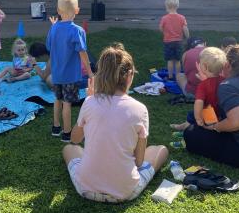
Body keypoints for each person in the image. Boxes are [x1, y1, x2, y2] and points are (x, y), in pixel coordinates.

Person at [62, 44, 168, 203]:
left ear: (101, 75)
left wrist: (90, 99)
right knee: (160, 149)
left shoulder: (90, 102)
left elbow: (75, 139)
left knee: (70, 149)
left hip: (86, 188)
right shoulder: (140, 109)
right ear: (130, 75)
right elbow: (138, 162)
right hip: (125, 192)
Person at [46, 0, 93, 142]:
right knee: (67, 103)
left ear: (58, 11)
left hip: (57, 75)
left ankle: (56, 127)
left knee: (57, 100)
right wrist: (90, 72)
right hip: (70, 76)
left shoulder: (53, 29)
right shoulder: (77, 30)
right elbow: (83, 53)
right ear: (77, 10)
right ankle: (67, 133)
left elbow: (49, 46)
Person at [170, 47, 227, 144]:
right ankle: (183, 129)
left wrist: (198, 117)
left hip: (208, 113)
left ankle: (183, 141)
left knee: (194, 121)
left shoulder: (202, 85)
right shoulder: (223, 79)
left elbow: (199, 102)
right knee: (193, 120)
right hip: (220, 113)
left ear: (204, 67)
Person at [159, 0, 189, 80]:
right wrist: (187, 37)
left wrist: (165, 32)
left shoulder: (164, 18)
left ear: (167, 7)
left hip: (168, 42)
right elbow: (185, 29)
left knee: (170, 60)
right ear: (177, 6)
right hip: (179, 41)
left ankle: (170, 76)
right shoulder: (182, 17)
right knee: (178, 60)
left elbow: (161, 28)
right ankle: (178, 77)